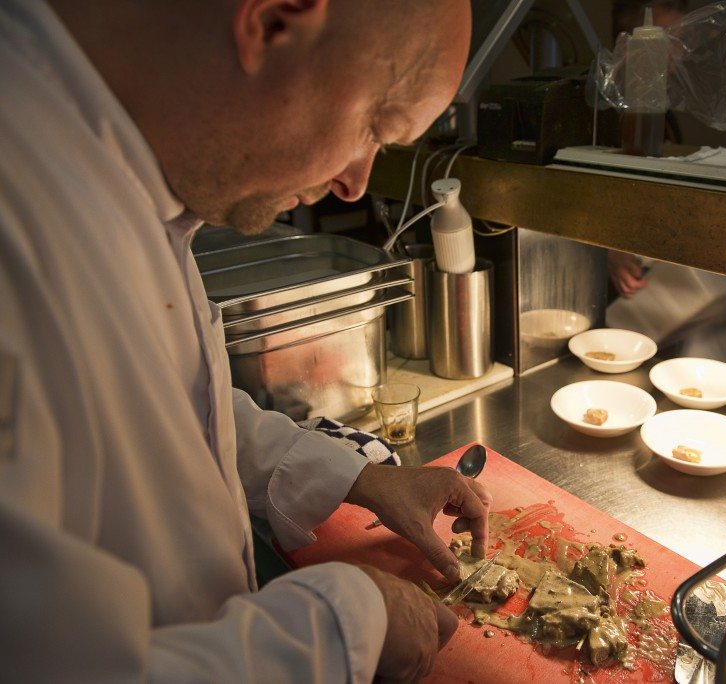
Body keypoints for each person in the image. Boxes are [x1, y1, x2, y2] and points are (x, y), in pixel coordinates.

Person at [0, 1, 486, 681]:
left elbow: (167, 417)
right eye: (376, 123)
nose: (356, 181)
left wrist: (365, 478)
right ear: (275, 18)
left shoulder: (127, 175)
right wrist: (350, 619)